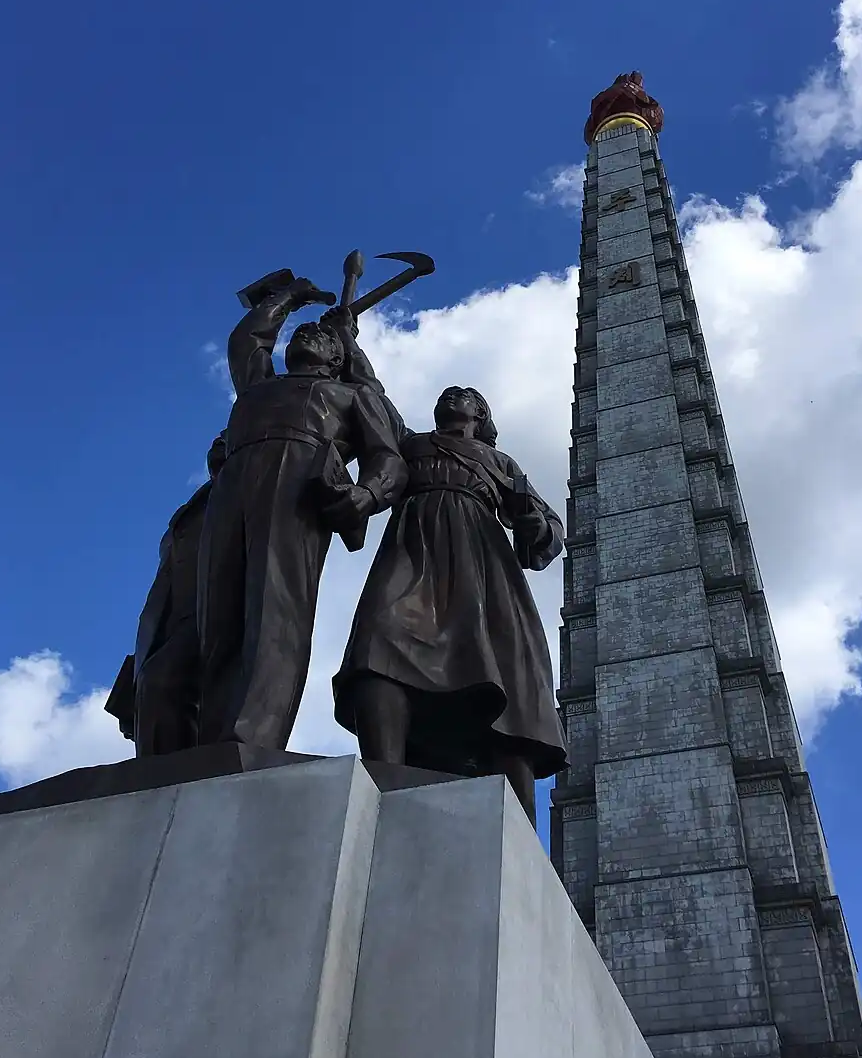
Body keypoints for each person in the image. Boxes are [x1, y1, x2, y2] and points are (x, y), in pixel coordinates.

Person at [332, 385, 567, 826]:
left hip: (481, 565)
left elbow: (549, 528)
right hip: (412, 550)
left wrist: (528, 518)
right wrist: (349, 336)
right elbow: (371, 393)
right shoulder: (411, 443)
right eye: (445, 393)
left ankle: (514, 815)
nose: (450, 397)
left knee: (503, 667)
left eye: (462, 395)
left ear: (480, 412)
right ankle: (382, 776)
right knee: (377, 637)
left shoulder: (501, 463)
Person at [196, 277, 406, 753]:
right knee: (218, 615)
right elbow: (246, 340)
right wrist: (288, 298)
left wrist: (369, 494)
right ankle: (206, 742)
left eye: (322, 337)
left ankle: (252, 736)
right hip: (232, 486)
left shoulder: (354, 397)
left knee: (276, 609)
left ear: (337, 360)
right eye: (301, 333)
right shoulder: (258, 386)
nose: (308, 335)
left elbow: (389, 456)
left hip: (297, 483)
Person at [105, 433, 226, 755]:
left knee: (167, 683)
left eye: (229, 438)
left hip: (213, 609)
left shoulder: (249, 487)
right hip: (164, 620)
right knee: (156, 698)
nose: (219, 443)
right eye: (217, 438)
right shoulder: (194, 503)